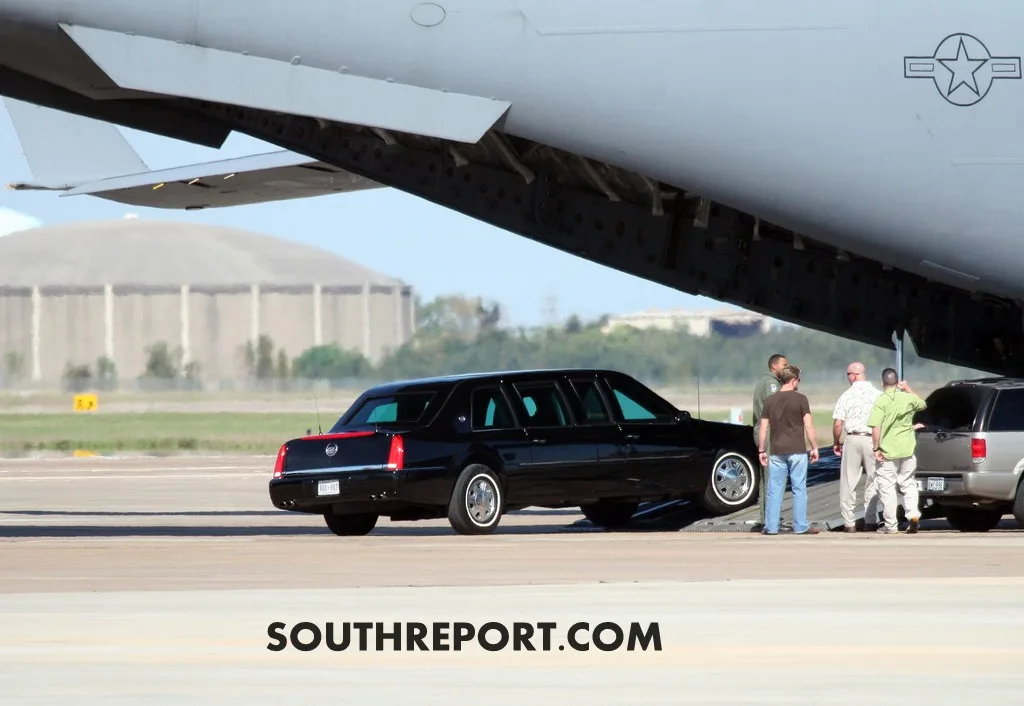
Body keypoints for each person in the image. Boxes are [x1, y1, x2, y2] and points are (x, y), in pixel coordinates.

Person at [757, 365, 821, 535]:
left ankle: (771, 527)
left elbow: (764, 428)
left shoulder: (770, 400)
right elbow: (809, 426)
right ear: (793, 380)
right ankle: (800, 526)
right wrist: (814, 447)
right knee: (799, 489)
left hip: (777, 451)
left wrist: (762, 450)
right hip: (797, 450)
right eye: (799, 380)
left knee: (774, 489)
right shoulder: (801, 399)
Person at [866, 369, 927, 535]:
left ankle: (891, 525)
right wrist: (907, 389)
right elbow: (922, 404)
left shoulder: (881, 401)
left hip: (888, 450)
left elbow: (876, 428)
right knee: (908, 483)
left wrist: (876, 448)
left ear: (882, 383)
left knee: (887, 487)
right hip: (907, 449)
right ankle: (913, 515)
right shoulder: (907, 398)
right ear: (897, 381)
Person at [831, 362, 882, 532]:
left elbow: (838, 423)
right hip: (872, 440)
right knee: (873, 480)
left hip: (853, 438)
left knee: (848, 481)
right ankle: (870, 520)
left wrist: (836, 441)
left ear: (853, 375)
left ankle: (849, 523)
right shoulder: (877, 394)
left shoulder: (847, 395)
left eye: (848, 375)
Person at [751, 353, 788, 530]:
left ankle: (767, 516)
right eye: (784, 365)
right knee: (772, 475)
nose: (786, 368)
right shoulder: (772, 385)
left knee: (766, 478)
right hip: (769, 431)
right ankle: (770, 518)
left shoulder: (764, 382)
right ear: (774, 366)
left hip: (763, 430)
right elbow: (775, 409)